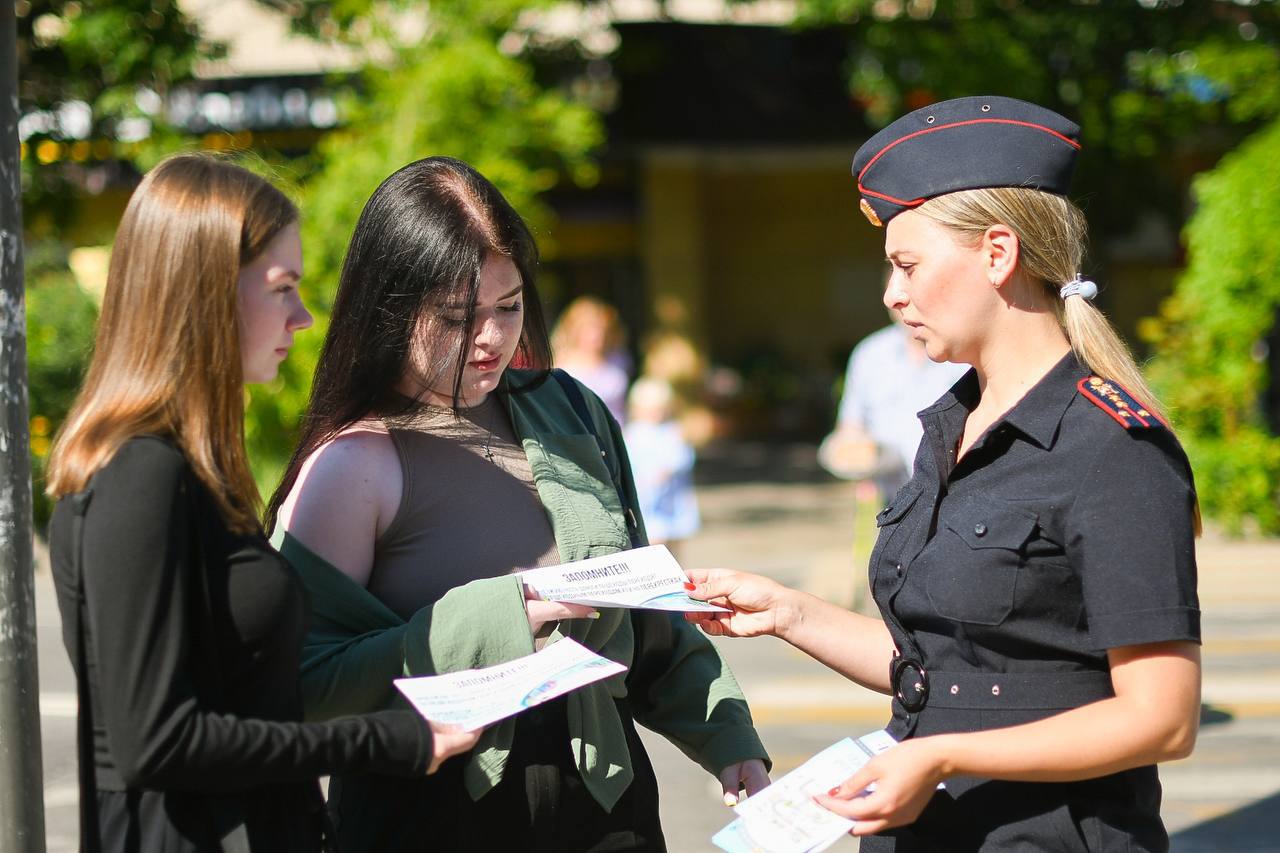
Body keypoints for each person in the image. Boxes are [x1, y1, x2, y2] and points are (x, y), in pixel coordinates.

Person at [686, 96, 1201, 852]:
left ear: (998, 253)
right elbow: (943, 669)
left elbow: (1163, 717)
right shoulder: (950, 426)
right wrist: (789, 611)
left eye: (907, 265)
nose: (892, 295)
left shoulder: (1111, 446)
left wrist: (941, 754)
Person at [265, 156, 769, 853]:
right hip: (432, 814)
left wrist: (726, 734)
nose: (493, 338)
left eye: (509, 306)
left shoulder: (573, 413)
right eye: (457, 317)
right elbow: (301, 686)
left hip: (608, 804)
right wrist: (501, 614)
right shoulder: (353, 463)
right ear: (388, 308)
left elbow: (647, 619)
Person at [44, 154, 477, 853]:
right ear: (204, 292)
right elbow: (154, 739)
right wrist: (388, 737)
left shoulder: (192, 467)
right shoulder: (140, 473)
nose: (304, 317)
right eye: (283, 288)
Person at [820, 313, 966, 497]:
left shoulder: (964, 350)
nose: (899, 298)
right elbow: (851, 424)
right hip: (891, 495)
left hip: (955, 491)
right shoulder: (870, 353)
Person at [623, 376, 701, 560]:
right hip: (647, 501)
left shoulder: (673, 431)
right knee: (655, 545)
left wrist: (667, 469)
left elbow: (682, 458)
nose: (655, 414)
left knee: (674, 547)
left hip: (672, 501)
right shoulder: (632, 434)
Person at [551, 295, 631, 422]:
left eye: (602, 329)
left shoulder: (618, 358)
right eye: (591, 329)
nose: (598, 335)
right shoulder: (559, 362)